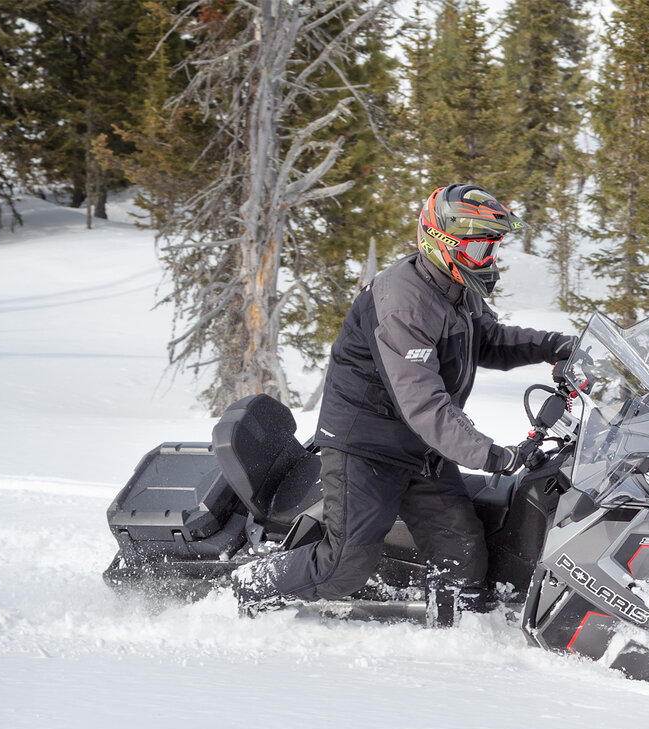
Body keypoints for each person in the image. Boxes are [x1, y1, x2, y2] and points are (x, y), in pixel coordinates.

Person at [232, 184, 576, 625]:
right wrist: (494, 455)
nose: (486, 259)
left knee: (464, 555)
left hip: (419, 448)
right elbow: (424, 404)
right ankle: (243, 589)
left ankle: (452, 639)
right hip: (365, 447)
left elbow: (488, 339)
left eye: (491, 248)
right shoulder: (403, 301)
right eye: (477, 247)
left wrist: (557, 345)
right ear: (441, 242)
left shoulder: (454, 287)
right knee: (345, 564)